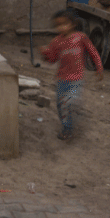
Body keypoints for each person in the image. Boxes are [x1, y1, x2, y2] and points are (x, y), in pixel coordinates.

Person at [40, 9, 104, 140]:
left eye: (64, 24)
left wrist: (99, 66)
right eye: (58, 25)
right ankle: (67, 125)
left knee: (69, 102)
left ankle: (68, 129)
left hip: (76, 78)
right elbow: (52, 59)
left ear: (72, 24)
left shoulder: (80, 38)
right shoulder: (56, 42)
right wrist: (45, 54)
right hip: (62, 79)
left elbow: (92, 51)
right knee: (60, 104)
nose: (61, 27)